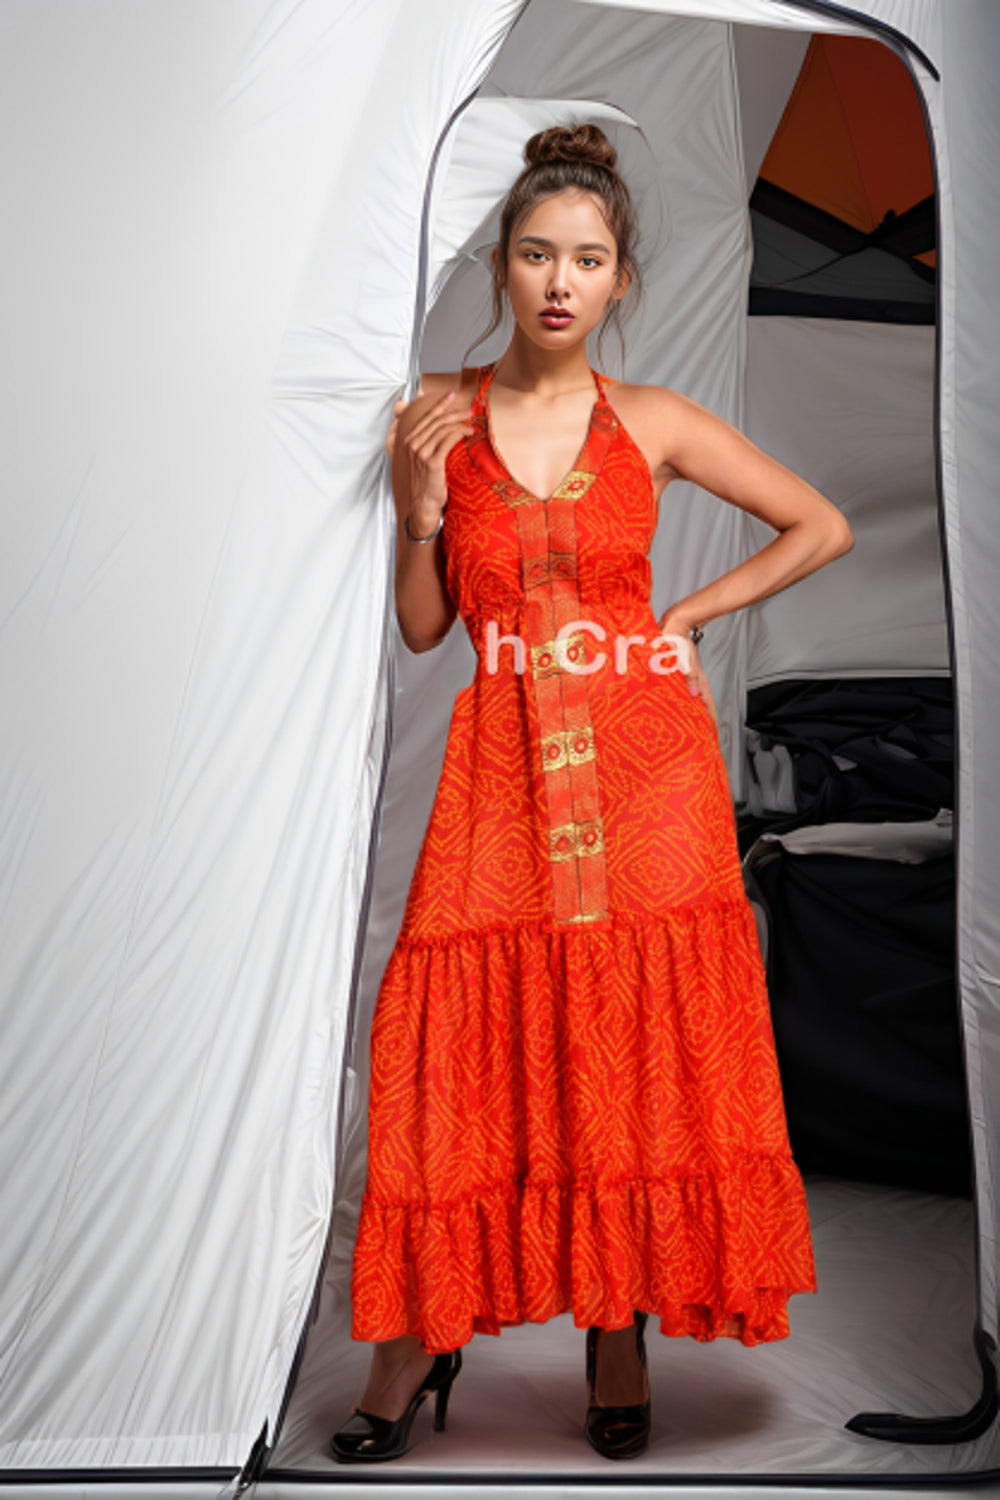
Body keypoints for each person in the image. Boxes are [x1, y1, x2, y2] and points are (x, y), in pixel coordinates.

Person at [331, 122, 852, 1465]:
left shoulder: (653, 420)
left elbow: (821, 524)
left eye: (587, 259)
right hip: (501, 773)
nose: (559, 281)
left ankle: (617, 1332)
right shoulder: (434, 412)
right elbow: (425, 630)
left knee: (626, 1032)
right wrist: (419, 505)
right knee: (451, 1040)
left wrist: (689, 616)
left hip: (645, 773)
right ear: (500, 267)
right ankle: (419, 1338)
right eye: (535, 254)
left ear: (620, 280)